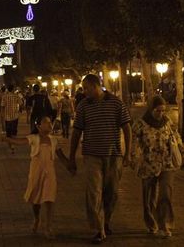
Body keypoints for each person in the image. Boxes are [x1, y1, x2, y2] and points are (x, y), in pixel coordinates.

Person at [68, 74, 132, 244]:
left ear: (96, 86)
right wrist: (71, 157)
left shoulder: (116, 103)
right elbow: (76, 132)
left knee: (111, 193)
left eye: (86, 87)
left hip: (113, 155)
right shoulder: (83, 106)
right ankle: (98, 228)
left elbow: (127, 128)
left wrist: (128, 154)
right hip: (91, 155)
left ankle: (106, 221)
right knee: (94, 193)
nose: (84, 91)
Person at [131, 95, 184, 239]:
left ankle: (165, 225)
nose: (161, 114)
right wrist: (133, 157)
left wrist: (181, 148)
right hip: (148, 164)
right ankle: (151, 223)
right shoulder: (140, 124)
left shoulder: (167, 121)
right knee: (149, 198)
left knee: (165, 195)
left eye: (163, 111)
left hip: (167, 163)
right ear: (151, 109)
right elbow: (134, 143)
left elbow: (176, 135)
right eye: (158, 111)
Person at [3, 116, 58, 239]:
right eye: (45, 122)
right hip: (36, 172)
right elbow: (20, 141)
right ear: (38, 126)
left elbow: (60, 155)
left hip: (50, 173)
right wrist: (7, 139)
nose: (49, 125)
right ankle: (37, 218)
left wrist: (70, 165)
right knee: (36, 199)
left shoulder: (53, 140)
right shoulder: (34, 138)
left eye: (50, 122)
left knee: (49, 199)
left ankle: (48, 227)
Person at [2, 85, 22, 153]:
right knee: (14, 130)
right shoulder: (16, 96)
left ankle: (10, 144)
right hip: (15, 116)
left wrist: (2, 115)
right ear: (13, 89)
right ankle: (13, 144)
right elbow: (21, 103)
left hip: (7, 116)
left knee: (8, 131)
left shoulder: (4, 96)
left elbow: (2, 106)